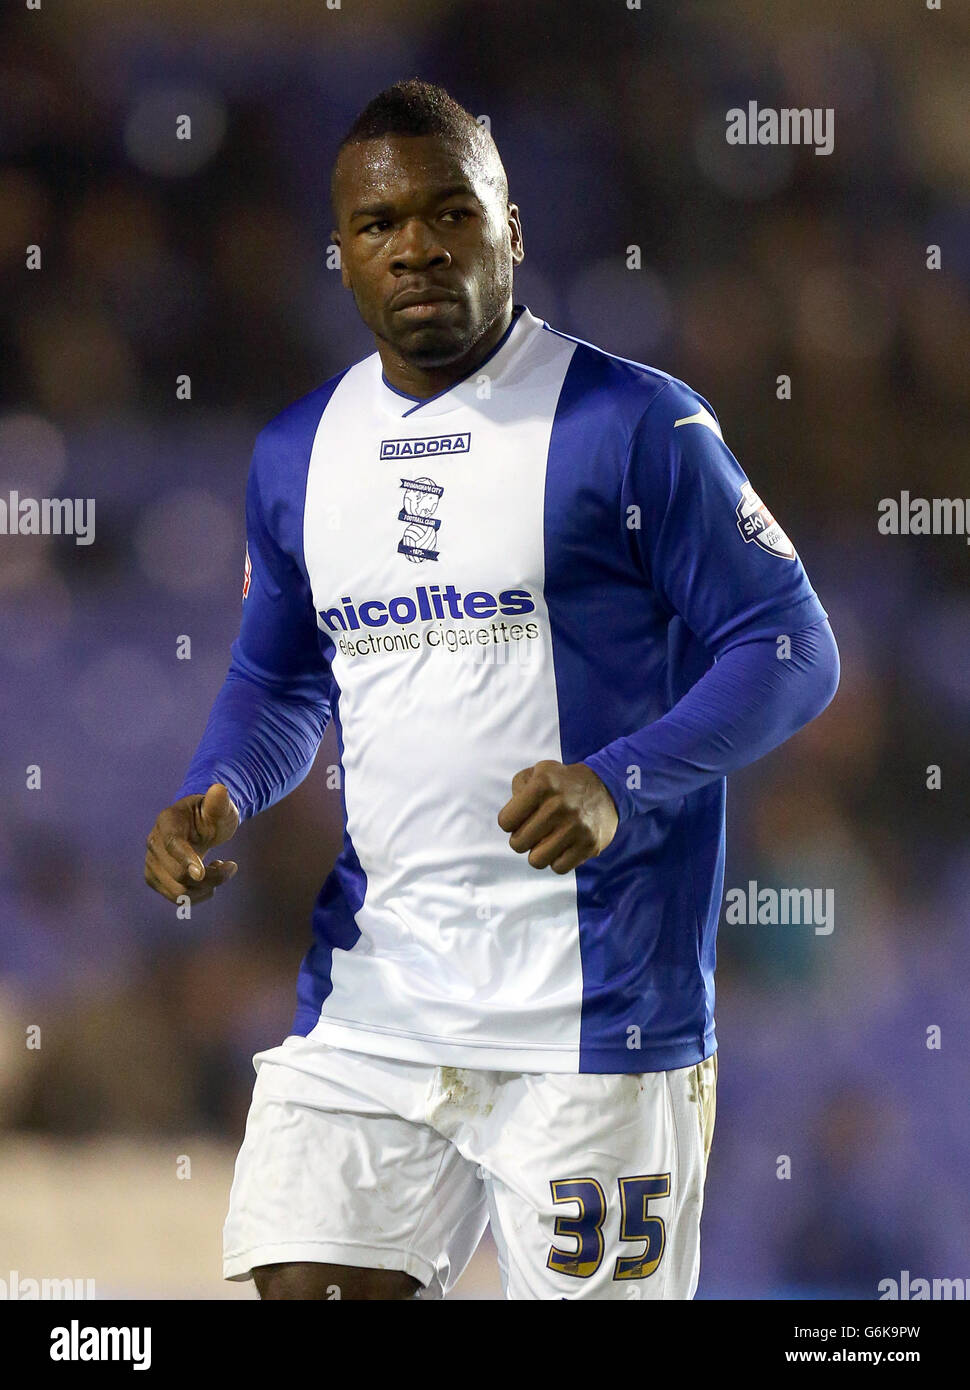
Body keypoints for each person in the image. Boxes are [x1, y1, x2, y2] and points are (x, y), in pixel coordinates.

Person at [144, 79, 839, 1300]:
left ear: (510, 230)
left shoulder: (634, 424)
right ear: (343, 256)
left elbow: (792, 648)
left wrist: (620, 782)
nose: (414, 244)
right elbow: (281, 671)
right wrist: (221, 789)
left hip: (597, 1015)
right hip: (378, 996)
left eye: (449, 213)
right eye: (378, 225)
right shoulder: (296, 453)